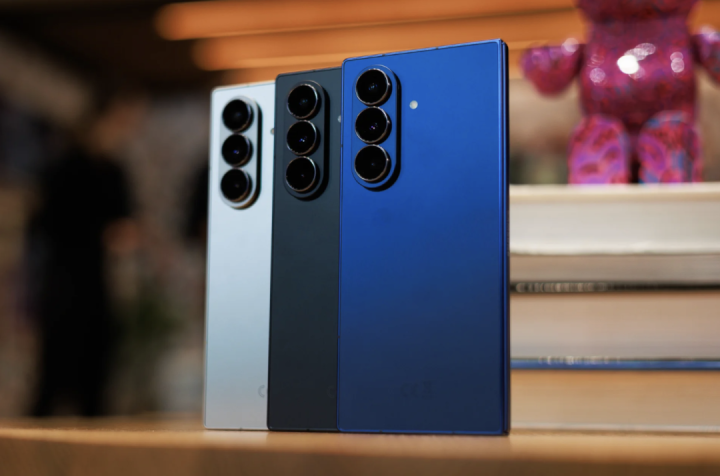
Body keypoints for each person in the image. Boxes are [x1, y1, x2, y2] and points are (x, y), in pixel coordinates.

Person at [26, 92, 142, 416]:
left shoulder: (115, 171)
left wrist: (127, 235)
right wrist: (102, 233)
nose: (127, 130)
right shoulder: (63, 167)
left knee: (97, 380)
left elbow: (125, 221)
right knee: (53, 377)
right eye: (123, 121)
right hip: (63, 284)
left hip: (99, 285)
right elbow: (45, 225)